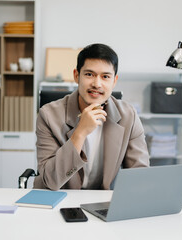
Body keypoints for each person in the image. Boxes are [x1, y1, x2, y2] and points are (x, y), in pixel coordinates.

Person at [34, 43, 149, 190]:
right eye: (89, 74)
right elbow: (50, 180)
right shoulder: (48, 115)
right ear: (76, 76)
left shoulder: (129, 116)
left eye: (105, 76)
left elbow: (139, 175)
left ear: (114, 81)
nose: (97, 84)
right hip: (59, 198)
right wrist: (80, 133)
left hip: (103, 202)